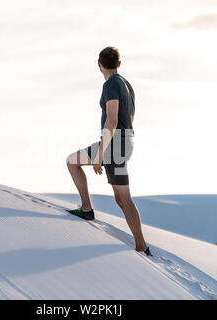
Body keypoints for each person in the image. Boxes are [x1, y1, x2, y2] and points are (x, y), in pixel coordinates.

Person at [65, 46, 152, 256]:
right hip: (125, 143)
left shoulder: (111, 84)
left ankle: (86, 210)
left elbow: (112, 119)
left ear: (99, 64)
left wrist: (101, 153)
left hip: (114, 144)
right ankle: (141, 245)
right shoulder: (126, 84)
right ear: (119, 64)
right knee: (123, 199)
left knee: (71, 161)